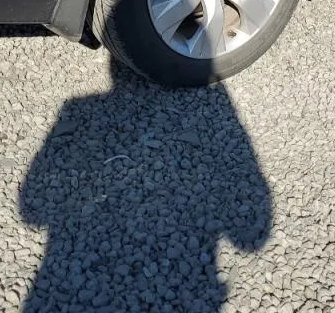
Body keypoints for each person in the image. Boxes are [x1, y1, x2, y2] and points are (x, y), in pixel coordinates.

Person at [19, 59, 271, 313]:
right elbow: (251, 239)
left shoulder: (75, 107)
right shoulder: (76, 108)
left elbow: (31, 213)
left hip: (55, 277)